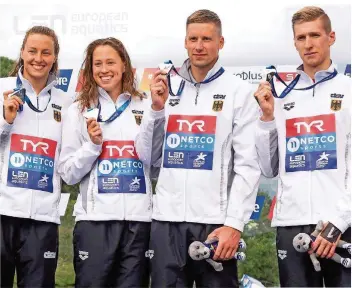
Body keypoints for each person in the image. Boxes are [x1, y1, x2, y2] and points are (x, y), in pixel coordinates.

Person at [135, 9, 261, 287]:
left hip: (214, 223)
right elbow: (147, 155)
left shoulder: (239, 92)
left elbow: (248, 167)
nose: (199, 46)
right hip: (166, 221)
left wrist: (234, 224)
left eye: (207, 38)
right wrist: (155, 110)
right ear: (185, 41)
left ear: (221, 42)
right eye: (193, 38)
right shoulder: (164, 88)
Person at [255, 6, 351, 287]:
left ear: (331, 37)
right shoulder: (280, 94)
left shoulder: (348, 90)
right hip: (291, 223)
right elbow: (268, 167)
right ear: (294, 42)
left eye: (314, 35)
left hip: (341, 224)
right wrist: (267, 119)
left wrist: (337, 223)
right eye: (300, 38)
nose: (308, 44)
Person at [58, 37, 152, 287]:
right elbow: (68, 173)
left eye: (110, 62)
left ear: (124, 65)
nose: (104, 69)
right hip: (94, 223)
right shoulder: (77, 110)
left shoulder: (146, 104)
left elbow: (156, 163)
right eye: (97, 64)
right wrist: (93, 146)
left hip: (138, 223)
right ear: (90, 69)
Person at [0, 26, 72, 287]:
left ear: (54, 57)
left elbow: (68, 160)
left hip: (42, 219)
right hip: (2, 212)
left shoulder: (67, 102)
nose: (38, 58)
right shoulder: (3, 88)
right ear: (22, 52)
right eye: (32, 51)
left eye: (46, 52)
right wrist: (5, 121)